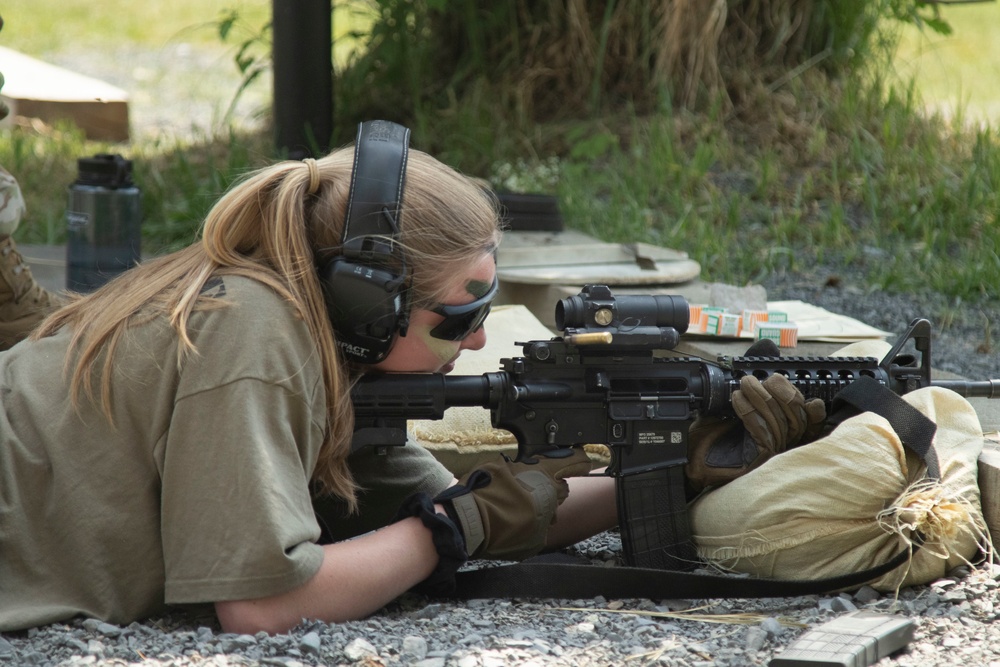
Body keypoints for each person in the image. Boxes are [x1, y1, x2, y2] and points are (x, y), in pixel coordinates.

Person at [0, 118, 821, 635]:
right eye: (456, 319)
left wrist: (686, 465)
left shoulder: (325, 344)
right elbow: (261, 605)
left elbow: (484, 509)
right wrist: (450, 532)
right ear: (368, 303)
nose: (475, 343)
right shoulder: (255, 338)